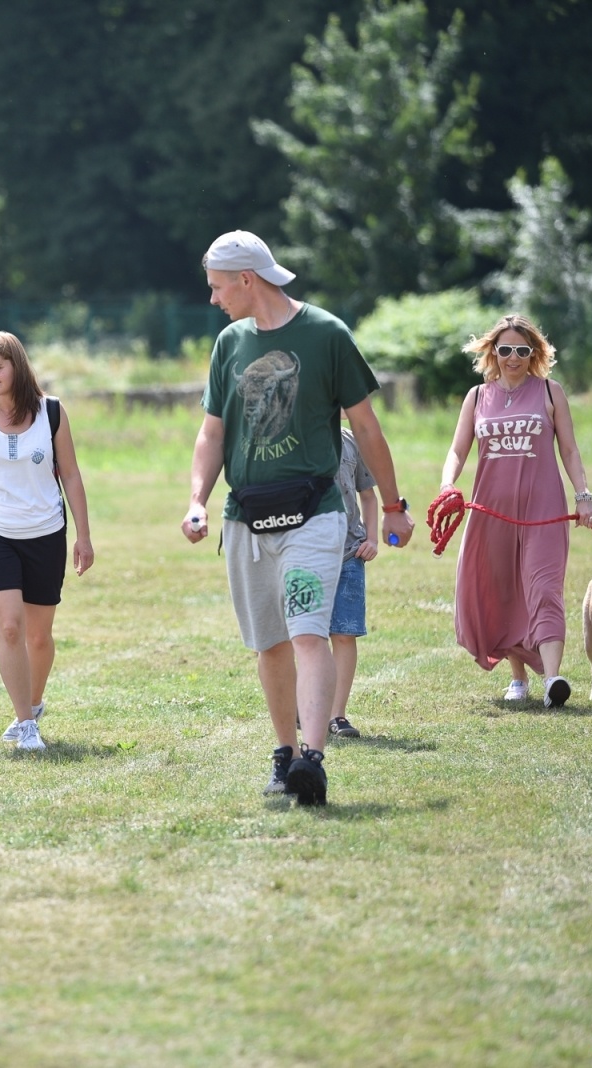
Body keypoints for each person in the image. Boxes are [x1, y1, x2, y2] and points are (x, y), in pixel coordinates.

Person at [182, 230, 414, 806]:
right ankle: (283, 754)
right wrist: (196, 500)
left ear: (246, 279)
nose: (213, 300)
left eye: (217, 287)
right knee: (270, 644)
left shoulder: (326, 334)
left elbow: (365, 428)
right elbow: (212, 433)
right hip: (246, 518)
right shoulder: (229, 343)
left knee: (308, 633)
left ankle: (313, 760)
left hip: (314, 513)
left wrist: (392, 505)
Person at [439, 314, 592, 708]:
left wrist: (583, 495)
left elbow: (570, 450)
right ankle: (518, 678)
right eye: (505, 349)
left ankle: (553, 679)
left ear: (534, 353)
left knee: (544, 588)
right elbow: (458, 449)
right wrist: (447, 483)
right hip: (490, 512)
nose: (513, 357)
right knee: (503, 590)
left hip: (543, 509)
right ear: (493, 352)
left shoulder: (549, 391)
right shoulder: (477, 397)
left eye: (522, 350)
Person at [0, 331, 94, 751]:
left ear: (17, 365)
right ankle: (25, 725)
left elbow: (70, 474)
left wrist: (83, 536)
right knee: (10, 627)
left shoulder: (52, 413)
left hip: (46, 532)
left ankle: (32, 705)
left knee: (39, 637)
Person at [326, 424, 379, 739]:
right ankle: (308, 705)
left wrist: (372, 538)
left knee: (344, 634)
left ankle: (337, 715)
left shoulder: (350, 440)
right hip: (307, 554)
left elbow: (368, 496)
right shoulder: (291, 438)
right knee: (307, 637)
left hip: (349, 553)